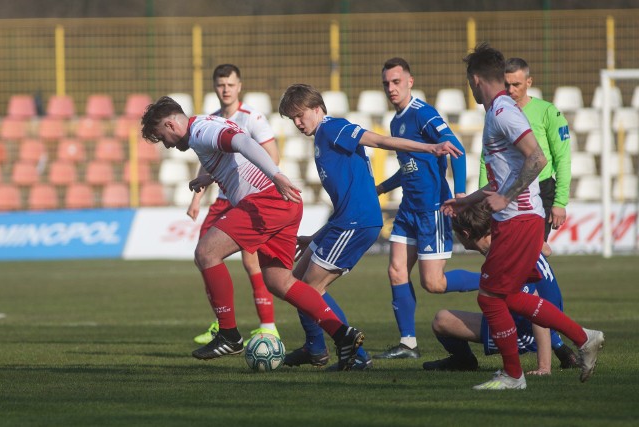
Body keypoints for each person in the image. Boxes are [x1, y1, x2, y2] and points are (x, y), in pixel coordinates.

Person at [141, 96, 365, 371]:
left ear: (170, 124)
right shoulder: (205, 126)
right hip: (283, 204)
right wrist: (209, 177)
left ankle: (229, 334)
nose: (167, 144)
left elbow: (244, 143)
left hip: (266, 200)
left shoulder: (200, 132)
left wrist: (275, 175)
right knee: (278, 281)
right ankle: (343, 335)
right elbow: (235, 151)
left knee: (206, 252)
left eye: (162, 137)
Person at [441, 42, 603, 390]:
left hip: (520, 218)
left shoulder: (502, 112)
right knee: (509, 295)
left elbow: (537, 159)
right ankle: (583, 336)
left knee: (489, 297)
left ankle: (513, 375)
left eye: (469, 83)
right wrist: (467, 202)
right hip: (517, 219)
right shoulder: (498, 112)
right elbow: (504, 174)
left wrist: (506, 197)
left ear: (475, 79)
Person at [277, 83, 463, 370]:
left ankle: (356, 356)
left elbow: (378, 141)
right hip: (344, 220)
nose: (297, 123)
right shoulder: (321, 137)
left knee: (310, 289)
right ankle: (315, 347)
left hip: (357, 222)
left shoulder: (332, 127)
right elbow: (344, 199)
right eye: (292, 119)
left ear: (317, 109)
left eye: (300, 115)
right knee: (296, 282)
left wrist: (430, 146)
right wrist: (316, 235)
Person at [373, 57, 473, 360]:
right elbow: (409, 168)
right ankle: (408, 344)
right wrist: (380, 188)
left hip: (432, 209)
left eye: (396, 82)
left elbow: (456, 148)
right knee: (396, 270)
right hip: (407, 210)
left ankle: (493, 280)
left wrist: (459, 194)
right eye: (386, 83)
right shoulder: (395, 122)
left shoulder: (423, 114)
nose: (391, 88)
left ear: (410, 82)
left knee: (433, 283)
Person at [423, 201, 578, 374]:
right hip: (551, 317)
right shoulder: (510, 236)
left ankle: (465, 361)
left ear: (466, 234)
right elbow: (546, 250)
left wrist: (544, 367)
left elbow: (536, 308)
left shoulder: (503, 257)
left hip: (531, 330)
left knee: (441, 320)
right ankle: (563, 347)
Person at [188, 64, 281, 346]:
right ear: (215, 87)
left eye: (230, 84)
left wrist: (258, 189)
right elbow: (206, 161)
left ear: (239, 86)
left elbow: (272, 156)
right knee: (204, 255)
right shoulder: (211, 119)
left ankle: (268, 326)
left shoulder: (252, 117)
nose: (225, 89)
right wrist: (196, 198)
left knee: (251, 260)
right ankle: (222, 322)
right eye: (220, 85)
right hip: (222, 199)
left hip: (249, 198)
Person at [479, 57, 571, 256]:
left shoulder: (548, 112)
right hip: (505, 189)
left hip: (540, 190)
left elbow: (562, 157)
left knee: (531, 253)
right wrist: (483, 195)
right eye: (506, 84)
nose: (511, 90)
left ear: (529, 82)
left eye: (516, 84)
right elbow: (486, 157)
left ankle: (537, 287)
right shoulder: (497, 112)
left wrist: (559, 202)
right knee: (512, 253)